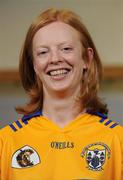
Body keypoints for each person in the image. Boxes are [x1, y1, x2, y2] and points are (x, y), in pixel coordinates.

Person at [0, 8, 122, 180]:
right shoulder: (6, 142)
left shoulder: (117, 140)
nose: (55, 59)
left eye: (65, 48)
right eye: (43, 52)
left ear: (86, 58)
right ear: (34, 64)